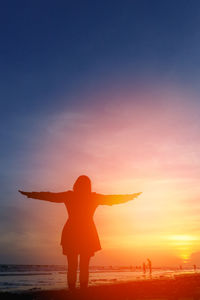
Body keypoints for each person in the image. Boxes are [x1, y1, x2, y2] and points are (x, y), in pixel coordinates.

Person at [19, 175, 141, 290]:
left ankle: (72, 291)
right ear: (89, 186)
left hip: (72, 232)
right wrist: (129, 197)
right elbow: (112, 199)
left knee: (72, 266)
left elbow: (50, 196)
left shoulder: (71, 196)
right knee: (84, 266)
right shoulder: (92, 197)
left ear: (76, 184)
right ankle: (83, 292)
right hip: (87, 233)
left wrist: (31, 195)